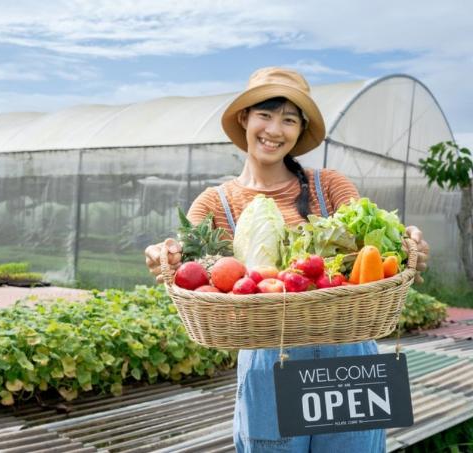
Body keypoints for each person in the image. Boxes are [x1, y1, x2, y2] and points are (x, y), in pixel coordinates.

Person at [144, 67, 430, 453]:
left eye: (289, 119)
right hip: (269, 359)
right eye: (265, 114)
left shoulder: (328, 185)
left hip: (347, 353)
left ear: (300, 130)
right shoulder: (214, 204)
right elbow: (188, 268)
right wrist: (167, 258)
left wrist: (405, 244)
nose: (274, 129)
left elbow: (373, 248)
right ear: (245, 118)